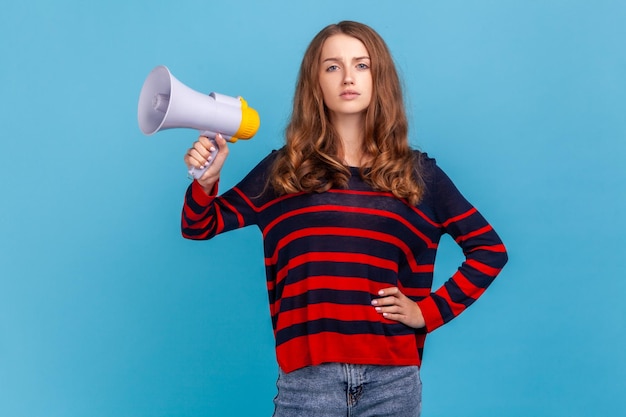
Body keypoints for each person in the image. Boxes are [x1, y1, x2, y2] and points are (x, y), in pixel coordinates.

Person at [182, 20, 507, 417]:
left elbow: (490, 250)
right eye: (332, 66)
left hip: (393, 381)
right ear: (315, 83)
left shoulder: (418, 175)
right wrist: (207, 181)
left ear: (379, 79)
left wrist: (427, 312)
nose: (348, 77)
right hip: (307, 382)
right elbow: (200, 226)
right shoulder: (284, 171)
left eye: (362, 65)